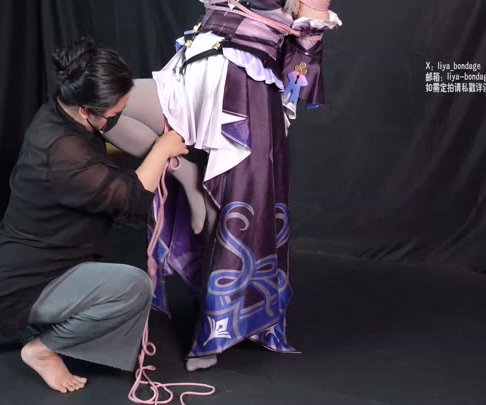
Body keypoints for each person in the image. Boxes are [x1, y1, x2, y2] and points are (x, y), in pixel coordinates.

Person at [101, 0, 342, 371]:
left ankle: (212, 330)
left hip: (245, 88)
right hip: (195, 68)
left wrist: (310, 25)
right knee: (103, 106)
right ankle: (184, 174)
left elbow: (305, 53)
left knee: (227, 211)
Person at [0, 37, 189, 394]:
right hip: (32, 278)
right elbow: (132, 199)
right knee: (132, 288)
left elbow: (96, 158)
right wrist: (161, 150)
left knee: (84, 284)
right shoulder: (61, 154)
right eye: (114, 114)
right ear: (87, 110)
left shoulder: (58, 113)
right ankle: (42, 349)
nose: (117, 118)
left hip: (16, 271)